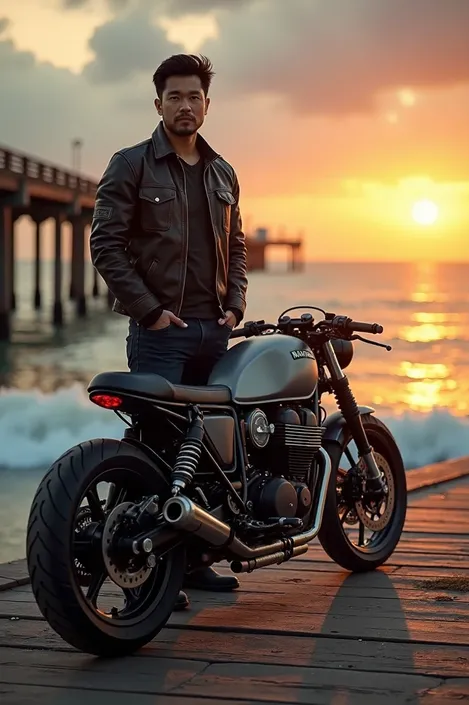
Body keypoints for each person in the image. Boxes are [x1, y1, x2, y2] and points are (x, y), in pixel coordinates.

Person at [90, 54, 248, 611]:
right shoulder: (131, 164)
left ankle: (196, 562)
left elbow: (238, 246)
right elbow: (105, 244)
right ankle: (143, 580)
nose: (186, 106)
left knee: (205, 453)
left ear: (208, 104)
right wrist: (151, 312)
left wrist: (236, 304)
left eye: (195, 97)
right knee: (154, 455)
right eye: (175, 97)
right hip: (162, 334)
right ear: (158, 104)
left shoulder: (223, 172)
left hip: (215, 332)